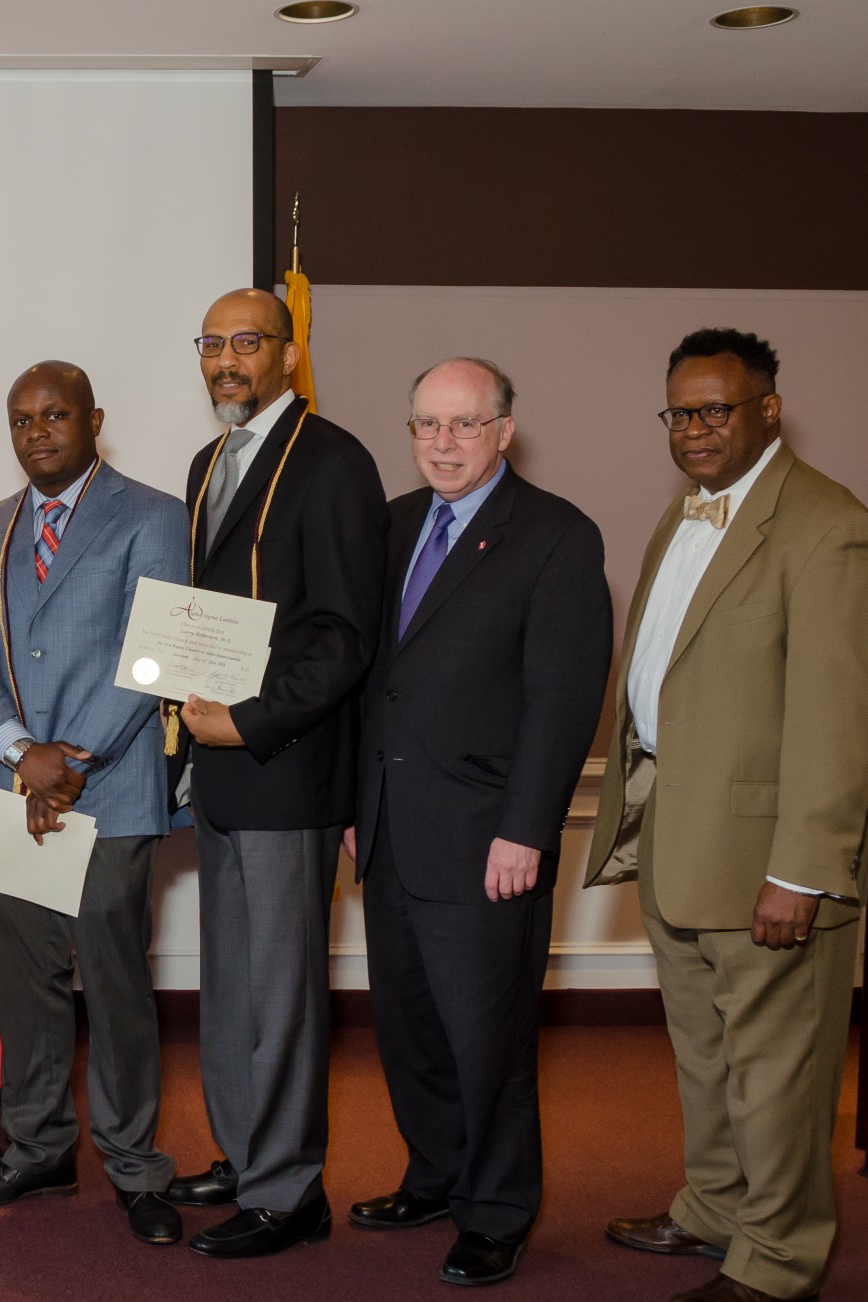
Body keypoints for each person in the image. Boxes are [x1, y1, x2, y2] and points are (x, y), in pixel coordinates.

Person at [587, 330, 868, 1302]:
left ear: (767, 409)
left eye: (715, 409)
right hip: (680, 833)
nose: (693, 429)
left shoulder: (827, 527)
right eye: (678, 412)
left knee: (776, 1076)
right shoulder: (682, 518)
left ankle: (776, 1259)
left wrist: (799, 870)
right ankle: (714, 1207)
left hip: (766, 856)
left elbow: (838, 722)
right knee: (704, 1054)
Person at [344, 358, 613, 1286]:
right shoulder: (391, 525)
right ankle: (435, 1175)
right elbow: (369, 678)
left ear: (504, 429)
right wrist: (353, 801)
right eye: (426, 425)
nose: (443, 444)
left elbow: (563, 700)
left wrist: (527, 829)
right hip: (387, 826)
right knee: (408, 1026)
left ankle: (496, 1210)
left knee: (484, 1037)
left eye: (464, 425)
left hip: (486, 838)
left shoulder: (556, 537)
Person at [0, 361, 190, 1249]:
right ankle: (37, 1147)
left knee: (115, 985)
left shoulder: (155, 515)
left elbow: (154, 649)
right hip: (6, 784)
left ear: (93, 420)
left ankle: (133, 1166)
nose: (36, 431)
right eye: (20, 420)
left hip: (109, 789)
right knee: (25, 984)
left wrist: (71, 761)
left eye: (53, 415)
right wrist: (16, 750)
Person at [173, 287, 388, 1259]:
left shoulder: (335, 463)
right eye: (212, 344)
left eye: (246, 342)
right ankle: (241, 1153)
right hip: (216, 777)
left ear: (288, 356)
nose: (226, 360)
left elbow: (343, 638)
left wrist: (244, 723)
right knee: (228, 988)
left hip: (284, 767)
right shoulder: (207, 460)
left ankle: (289, 1187)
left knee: (282, 994)